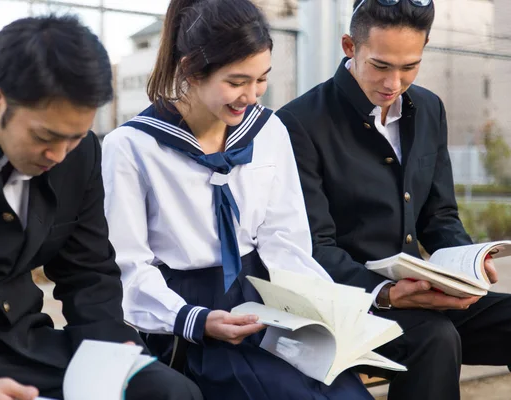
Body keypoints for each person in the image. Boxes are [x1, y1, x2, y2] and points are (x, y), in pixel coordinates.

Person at [0, 15, 203, 400]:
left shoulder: (79, 155)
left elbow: (88, 270)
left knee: (166, 391)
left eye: (75, 136)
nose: (59, 155)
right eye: (45, 137)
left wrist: (110, 354)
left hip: (23, 344)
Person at [102, 0, 374, 399]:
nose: (251, 94)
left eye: (261, 79)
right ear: (190, 69)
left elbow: (284, 239)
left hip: (267, 301)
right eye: (236, 81)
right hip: (184, 316)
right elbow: (128, 267)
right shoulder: (130, 147)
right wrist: (196, 320)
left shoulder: (268, 131)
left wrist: (329, 313)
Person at [276, 1, 511, 399]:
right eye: (381, 66)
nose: (394, 82)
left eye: (410, 66)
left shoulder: (430, 108)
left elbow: (440, 216)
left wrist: (466, 262)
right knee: (434, 339)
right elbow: (313, 246)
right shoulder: (298, 124)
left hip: (422, 297)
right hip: (344, 305)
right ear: (349, 46)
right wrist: (384, 293)